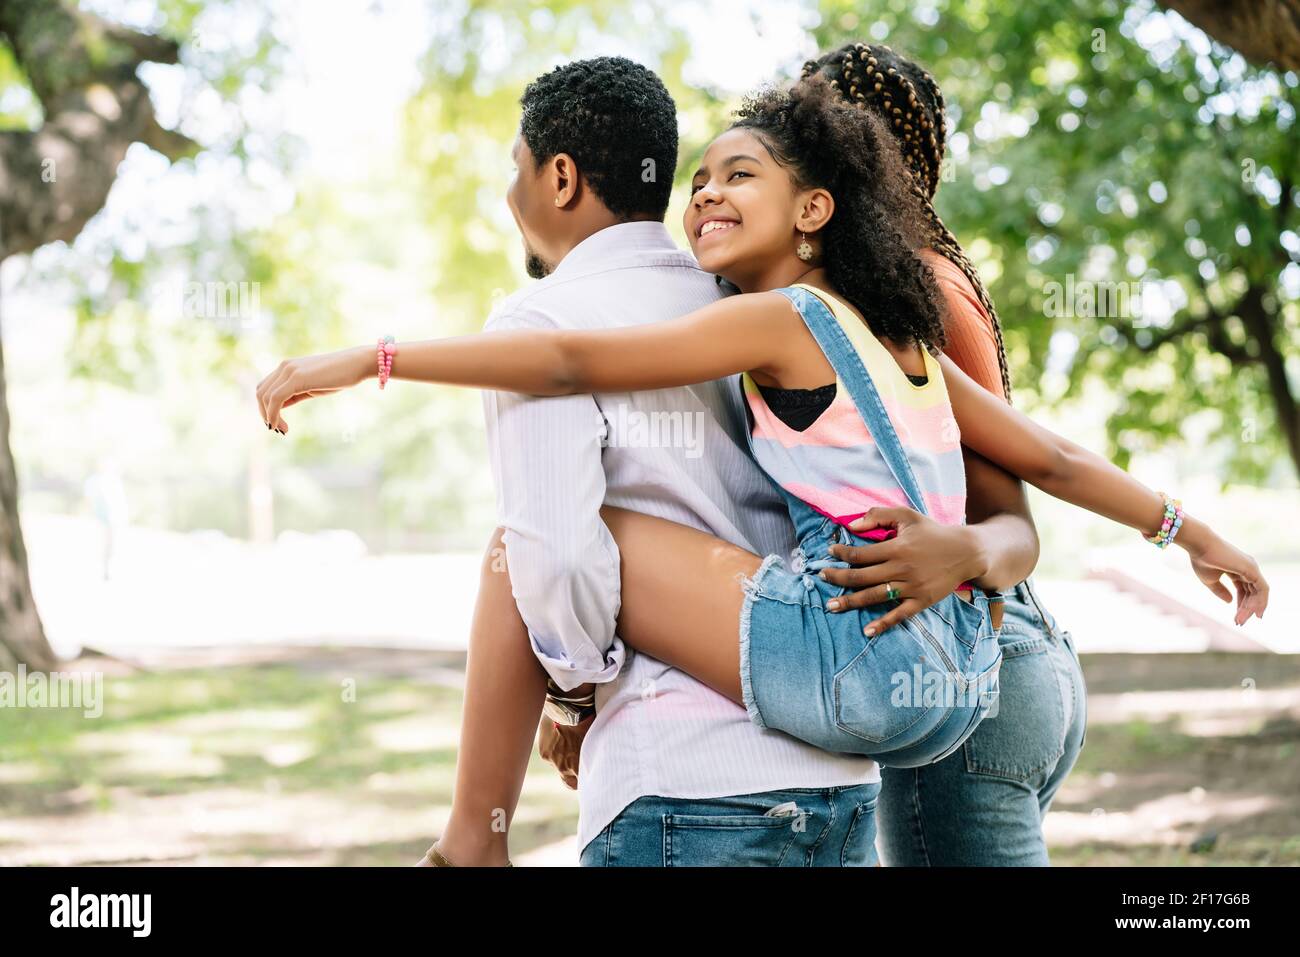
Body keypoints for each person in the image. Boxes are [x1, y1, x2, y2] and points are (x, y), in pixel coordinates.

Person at [255, 74, 1269, 864]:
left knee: (537, 539)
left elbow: (569, 361)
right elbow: (1050, 453)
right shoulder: (894, 340)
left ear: (815, 209)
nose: (705, 192)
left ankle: (475, 840)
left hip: (855, 660)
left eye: (739, 174)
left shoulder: (783, 319)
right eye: (698, 180)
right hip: (949, 678)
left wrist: (374, 358)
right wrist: (1190, 532)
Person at [804, 41, 1093, 865]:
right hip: (1006, 670)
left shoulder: (912, 289)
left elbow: (1012, 520)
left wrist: (957, 554)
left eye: (809, 126)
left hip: (976, 683)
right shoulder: (900, 277)